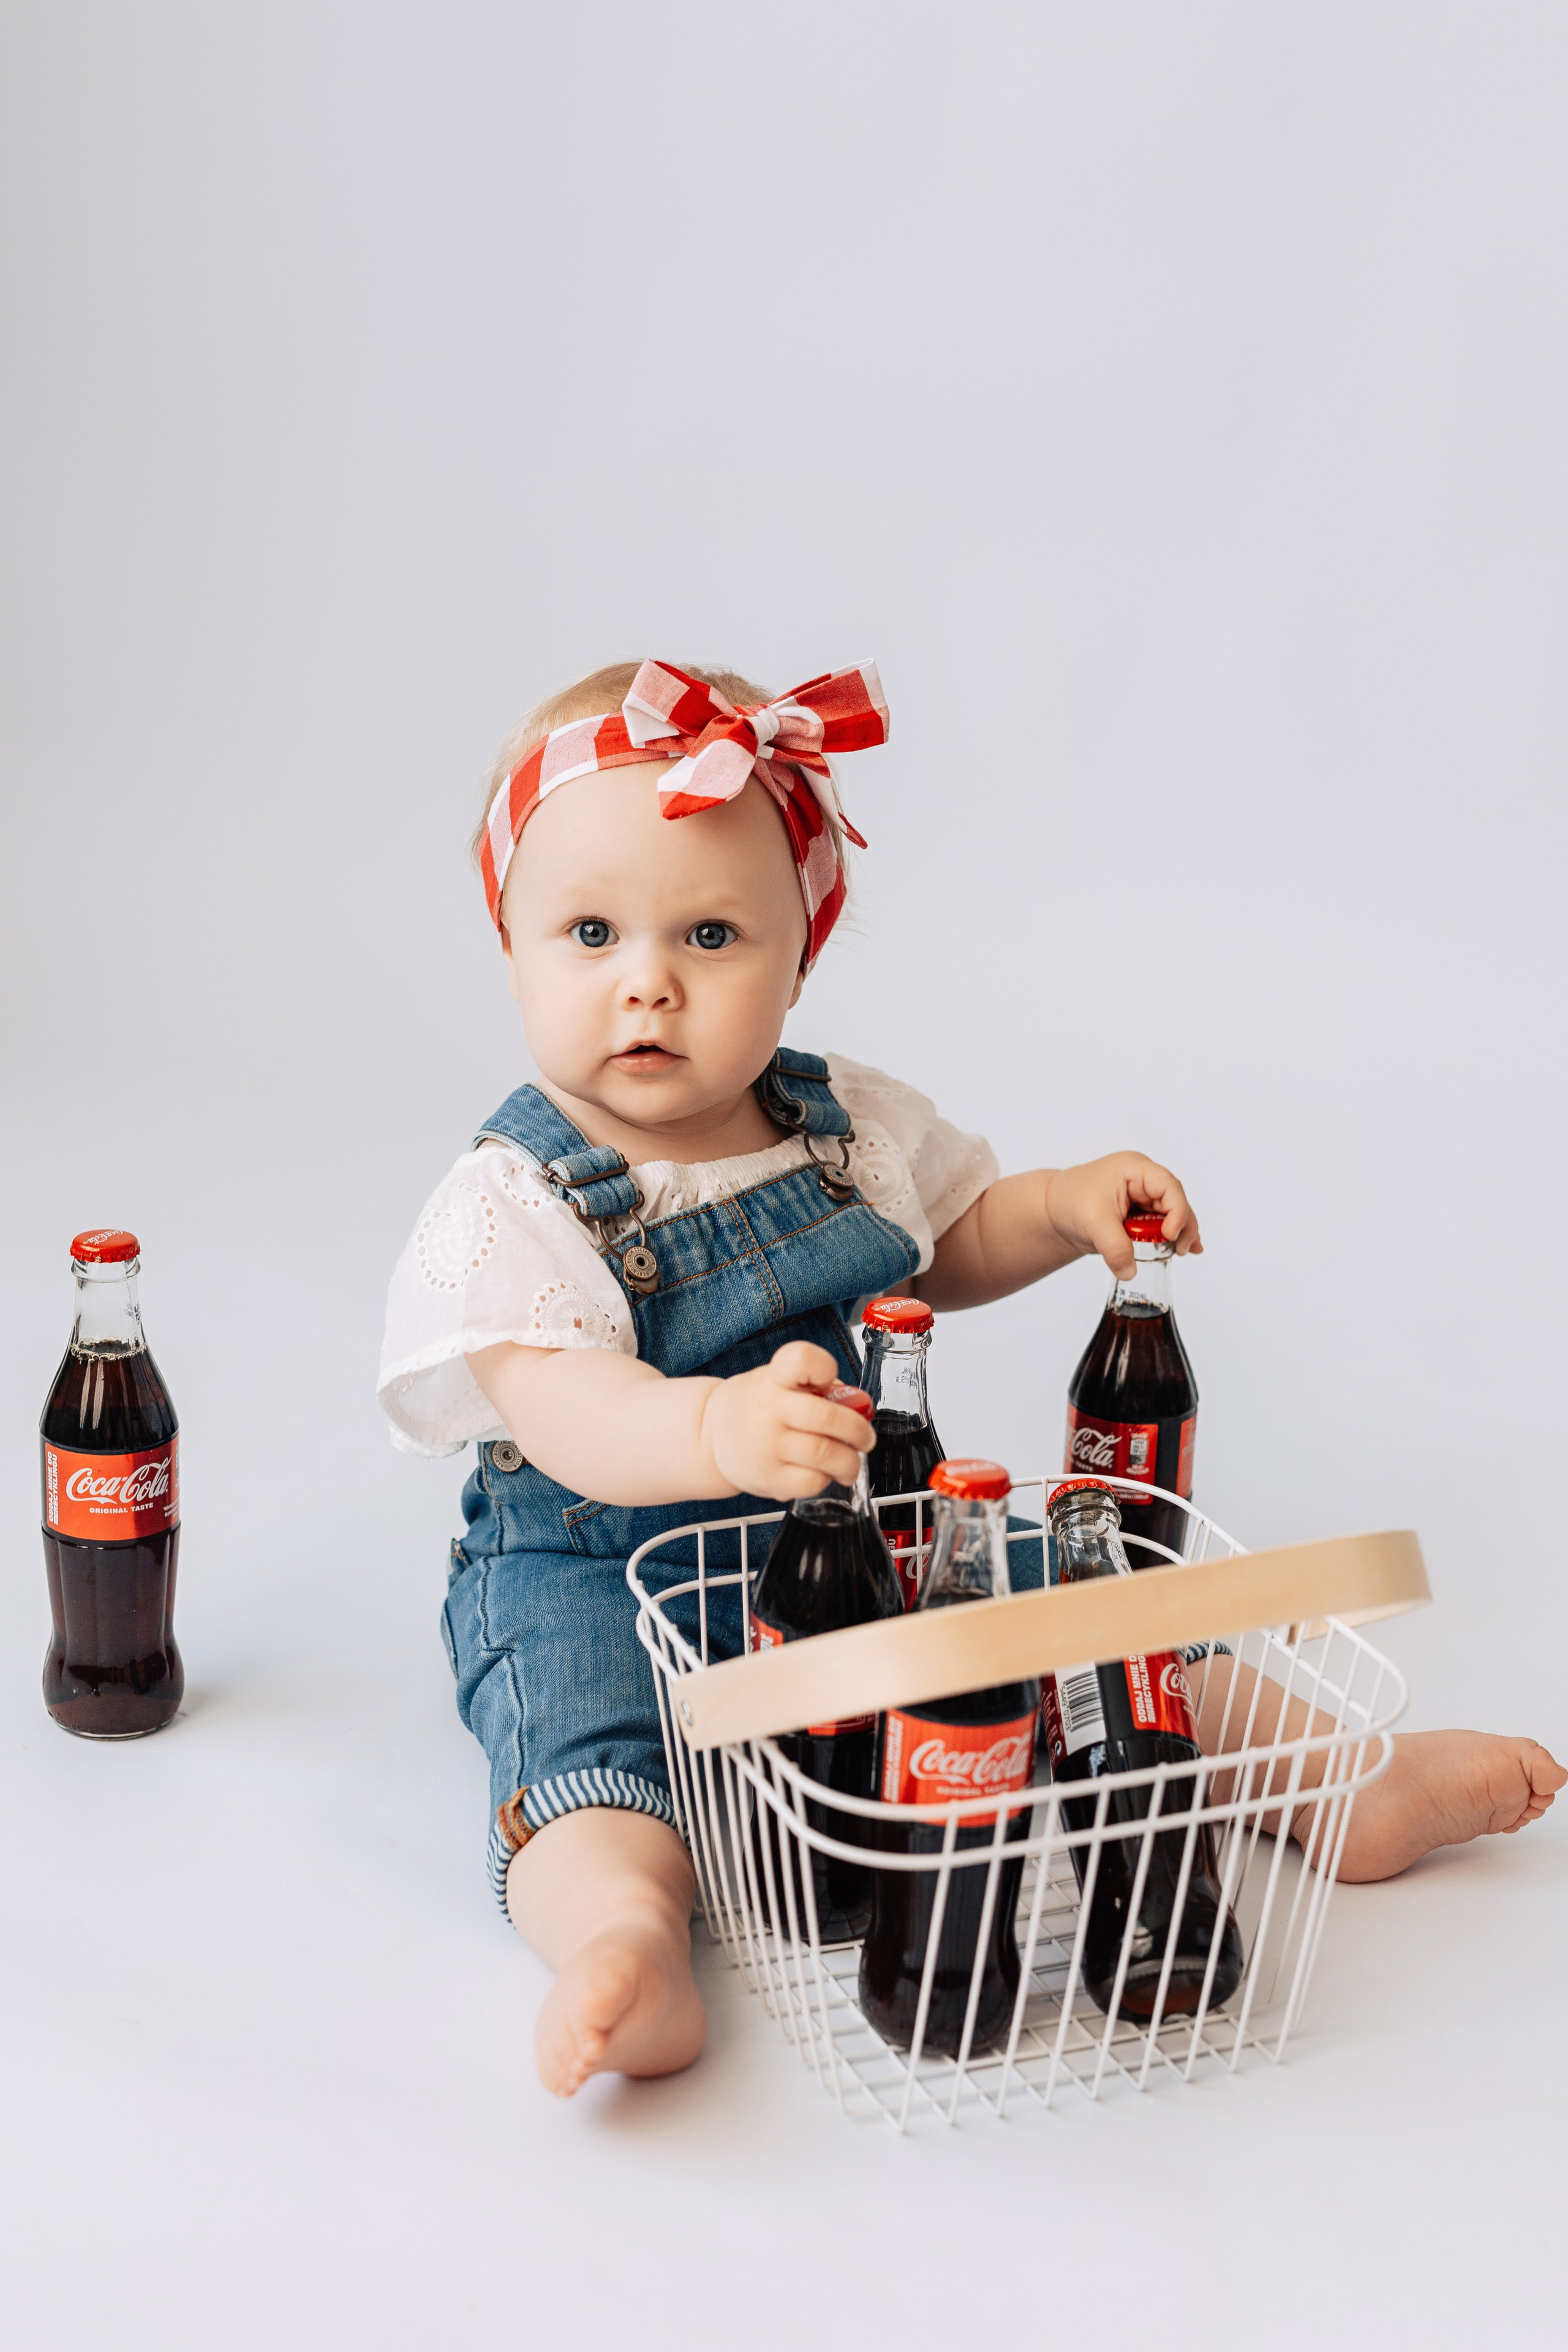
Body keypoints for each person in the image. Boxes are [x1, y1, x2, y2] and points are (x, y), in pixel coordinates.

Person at [378, 658, 1564, 2098]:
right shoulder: (515, 1199)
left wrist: (1058, 1209)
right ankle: (623, 1940)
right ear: (509, 945)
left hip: (853, 1534)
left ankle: (1329, 1778)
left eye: (709, 933)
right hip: (595, 1570)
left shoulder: (834, 1127)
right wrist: (710, 1426)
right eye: (588, 932)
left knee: (1084, 1617)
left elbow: (943, 1241)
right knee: (590, 1758)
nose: (648, 981)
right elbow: (562, 1405)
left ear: (799, 954)